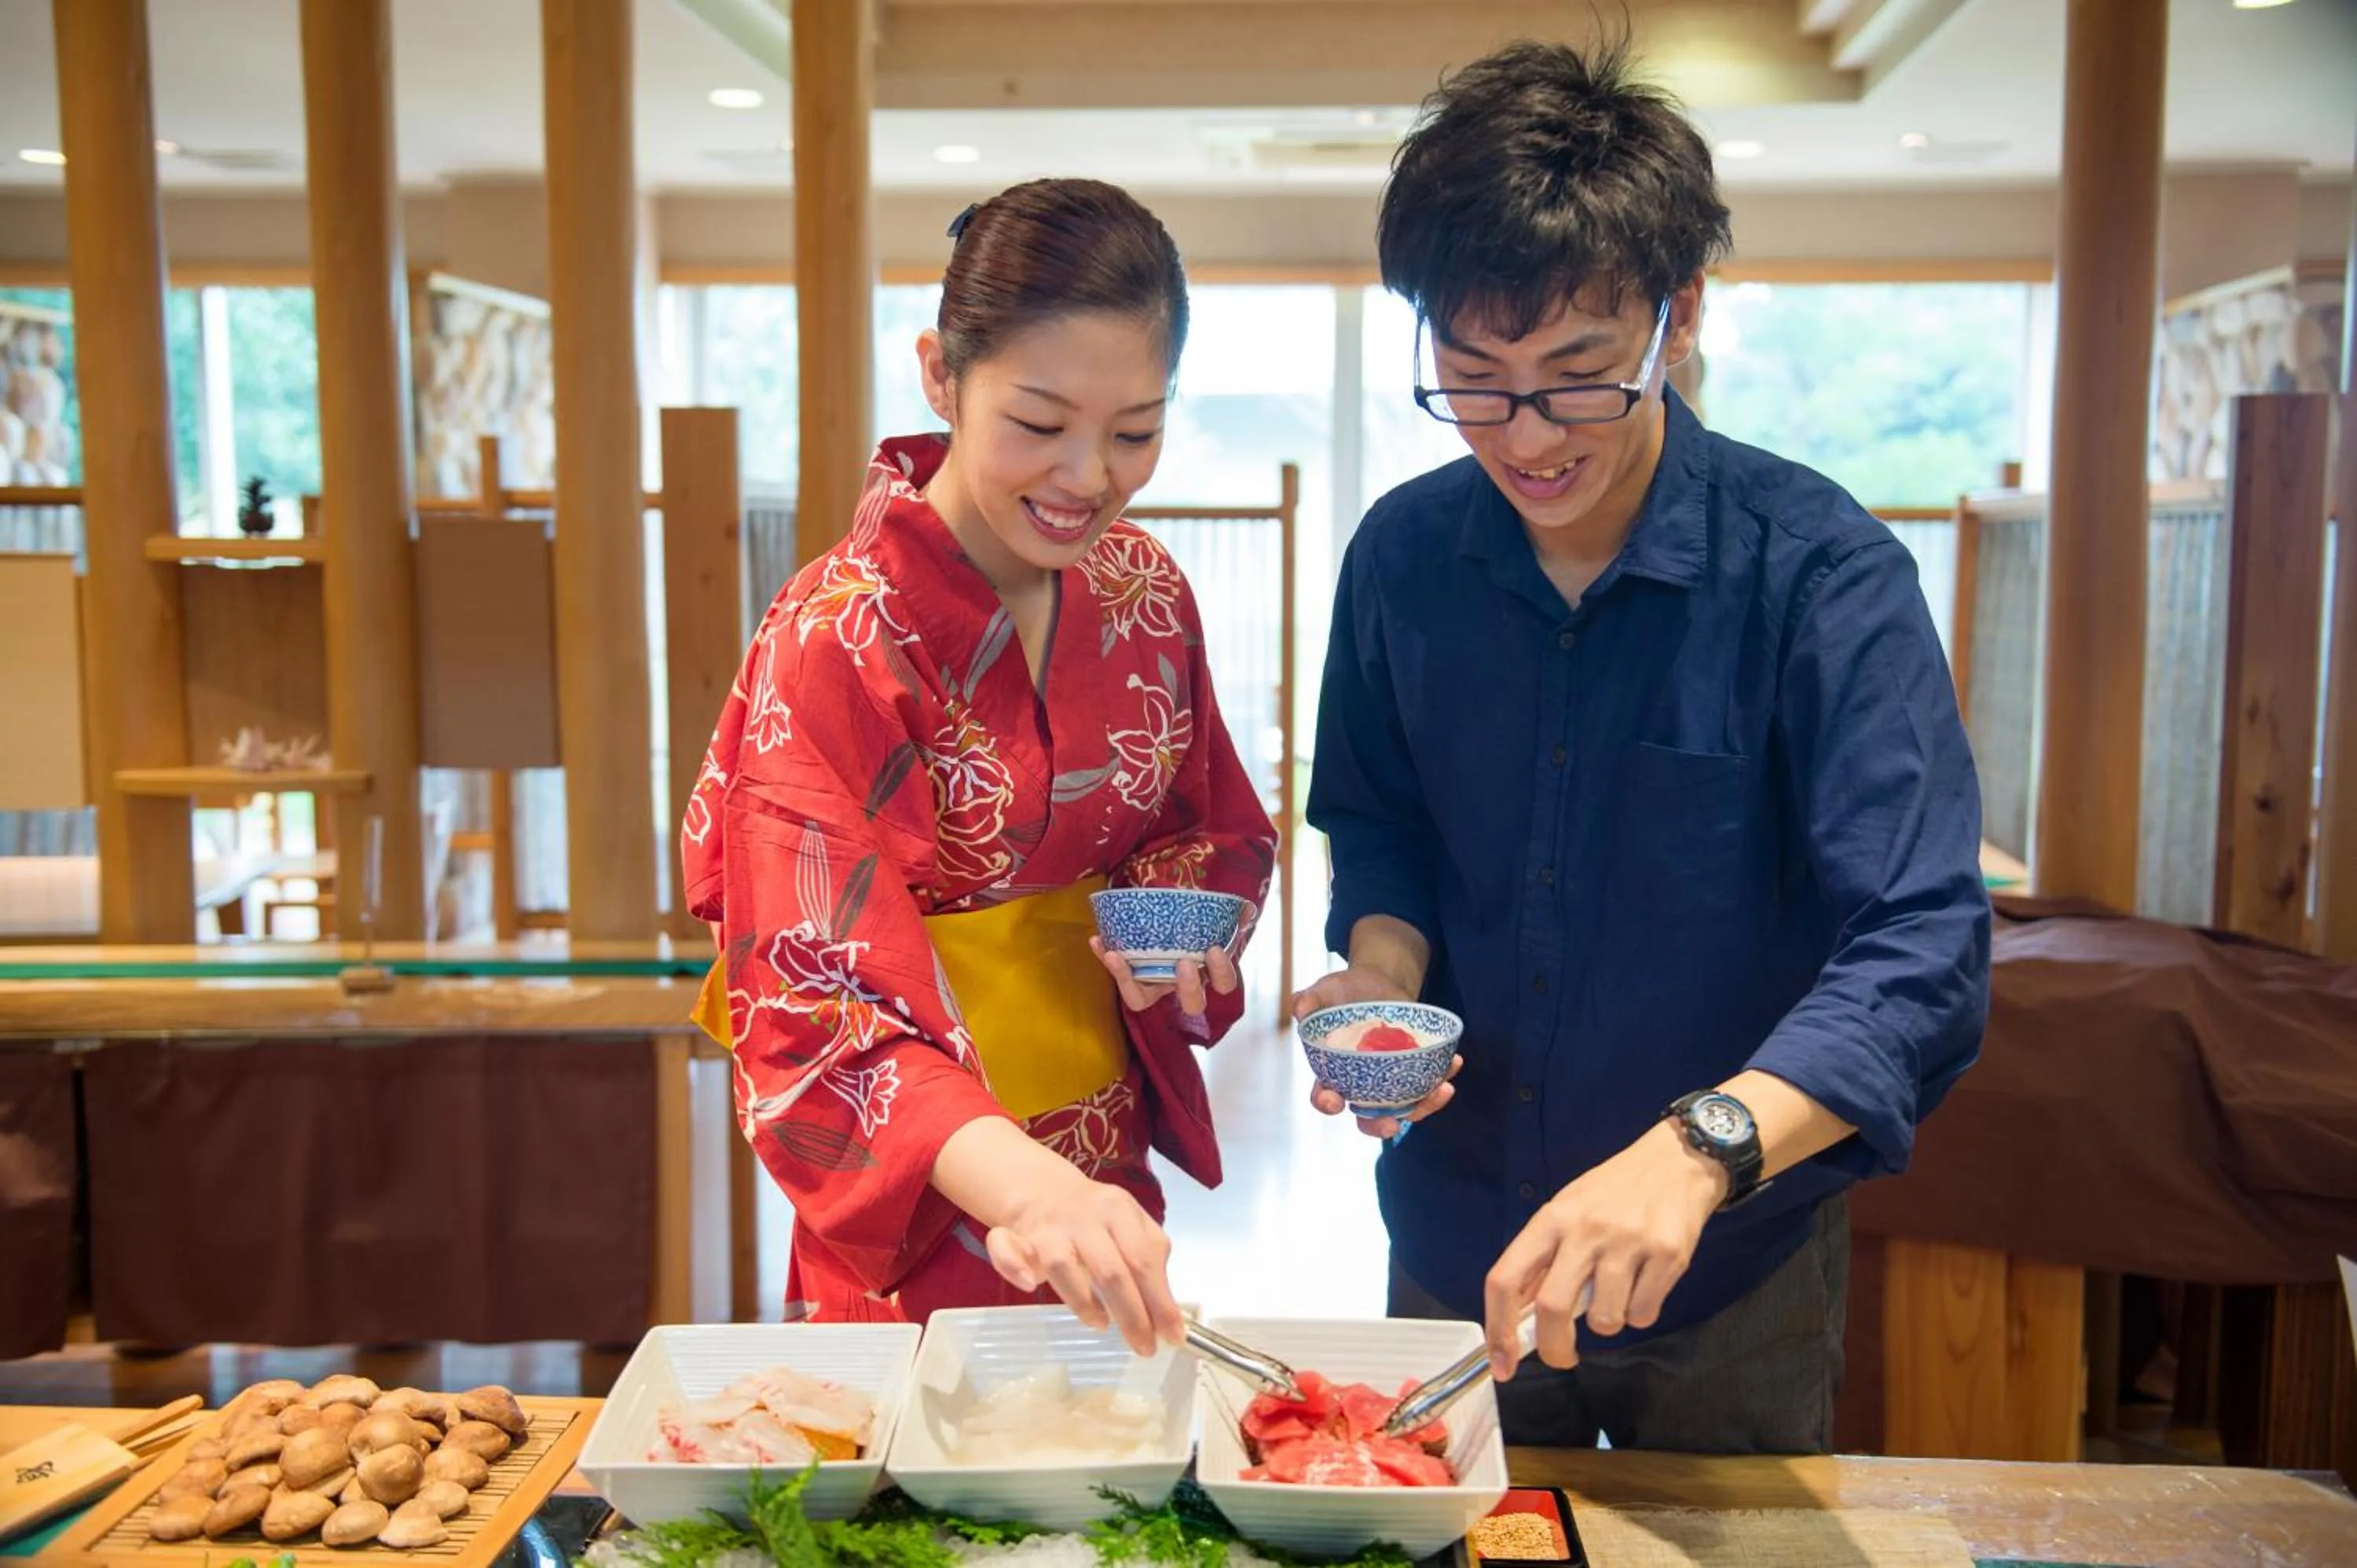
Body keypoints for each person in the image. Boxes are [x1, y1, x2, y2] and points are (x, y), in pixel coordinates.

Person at [1299, 38, 1991, 1452]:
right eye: (1474, 380)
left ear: (1676, 318)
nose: (1526, 437)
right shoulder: (1403, 558)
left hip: (1732, 1264)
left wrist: (1703, 1149)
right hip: (1458, 1229)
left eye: (1576, 377)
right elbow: (1385, 826)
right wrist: (1381, 978)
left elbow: (1921, 943)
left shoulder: (1820, 578)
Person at [683, 178, 1277, 1354]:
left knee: (1103, 1493)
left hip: (1098, 1166)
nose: (1088, 479)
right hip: (933, 1181)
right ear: (940, 376)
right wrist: (1018, 1186)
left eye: (1135, 432)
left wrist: (1179, 933)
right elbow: (803, 987)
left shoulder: (1144, 590)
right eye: (1040, 424)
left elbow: (1208, 822)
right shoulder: (837, 632)